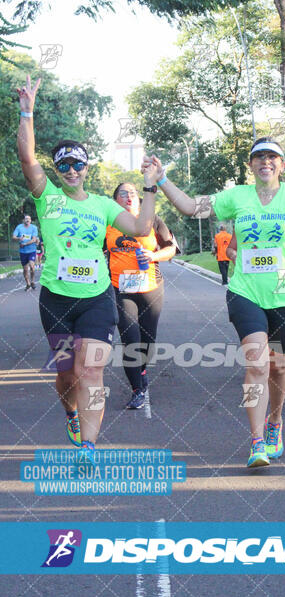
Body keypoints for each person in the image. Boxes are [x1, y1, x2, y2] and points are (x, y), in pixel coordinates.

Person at [141, 131, 285, 468]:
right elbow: (189, 207)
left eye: (272, 157)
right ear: (251, 165)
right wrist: (162, 179)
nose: (266, 162)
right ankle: (257, 441)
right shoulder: (237, 196)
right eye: (259, 158)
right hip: (246, 292)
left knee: (279, 365)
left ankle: (275, 421)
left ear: (281, 165)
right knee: (256, 362)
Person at [16, 75, 156, 463]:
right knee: (66, 374)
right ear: (58, 169)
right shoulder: (47, 198)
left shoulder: (102, 205)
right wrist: (27, 110)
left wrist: (149, 188)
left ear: (87, 167)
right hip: (57, 299)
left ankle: (89, 448)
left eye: (78, 163)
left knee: (91, 372)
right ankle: (70, 412)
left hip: (96, 298)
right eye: (64, 164)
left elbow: (143, 227)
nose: (72, 169)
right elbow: (27, 158)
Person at [106, 182, 177, 409]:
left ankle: (143, 368)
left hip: (151, 288)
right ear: (115, 200)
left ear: (139, 199)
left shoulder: (153, 220)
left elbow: (171, 249)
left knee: (147, 341)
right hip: (121, 288)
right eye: (123, 194)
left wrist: (153, 256)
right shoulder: (108, 222)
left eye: (133, 193)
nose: (128, 197)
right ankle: (137, 389)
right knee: (130, 339)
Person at [12, 214, 38, 289]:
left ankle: (32, 281)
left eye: (29, 219)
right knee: (25, 269)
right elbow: (13, 237)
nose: (27, 220)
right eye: (26, 219)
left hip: (32, 250)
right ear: (24, 220)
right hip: (23, 252)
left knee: (32, 267)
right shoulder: (19, 227)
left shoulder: (34, 228)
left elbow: (34, 239)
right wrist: (19, 238)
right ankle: (28, 283)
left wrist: (25, 244)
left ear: (30, 221)